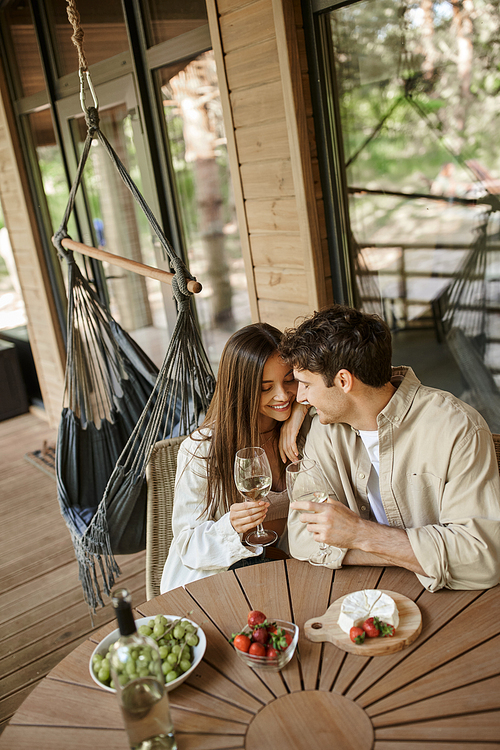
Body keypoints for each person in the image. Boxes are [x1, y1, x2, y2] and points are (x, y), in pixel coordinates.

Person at [278, 304, 500, 592]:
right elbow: (301, 536)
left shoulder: (457, 429)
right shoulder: (325, 430)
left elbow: (482, 559)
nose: (301, 398)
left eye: (306, 385)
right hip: (367, 594)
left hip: (456, 598)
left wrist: (358, 535)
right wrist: (414, 554)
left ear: (344, 381)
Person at [160, 322, 302, 593]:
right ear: (241, 388)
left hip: (285, 572)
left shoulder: (301, 432)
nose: (283, 396)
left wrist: (301, 411)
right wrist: (231, 527)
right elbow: (187, 546)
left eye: (289, 380)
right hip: (219, 584)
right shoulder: (202, 450)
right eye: (265, 387)